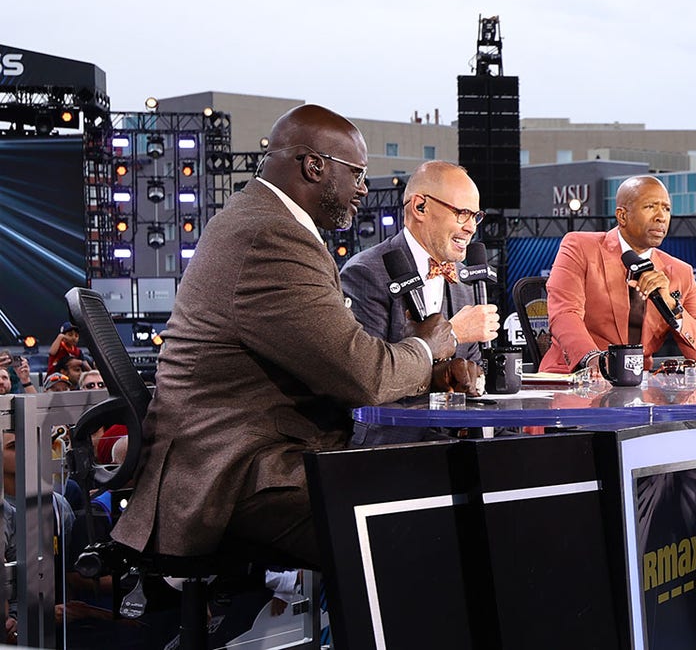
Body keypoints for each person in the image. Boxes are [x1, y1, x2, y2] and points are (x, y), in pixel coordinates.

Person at [111, 104, 481, 569]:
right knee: (424, 523)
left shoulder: (264, 222)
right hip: (232, 471)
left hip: (254, 451)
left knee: (433, 491)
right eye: (358, 174)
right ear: (314, 166)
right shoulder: (270, 237)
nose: (364, 190)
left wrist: (430, 370)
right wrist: (431, 344)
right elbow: (363, 374)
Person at [539, 175, 696, 373]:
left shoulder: (681, 272)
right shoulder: (579, 247)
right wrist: (595, 360)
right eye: (650, 207)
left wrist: (672, 306)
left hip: (639, 388)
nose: (661, 216)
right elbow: (565, 313)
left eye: (666, 208)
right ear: (622, 216)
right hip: (575, 376)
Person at [340, 160, 499, 357]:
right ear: (420, 207)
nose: (472, 227)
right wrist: (453, 334)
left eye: (475, 216)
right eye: (462, 213)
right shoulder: (365, 272)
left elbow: (471, 369)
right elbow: (369, 369)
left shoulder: (464, 281)